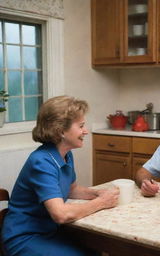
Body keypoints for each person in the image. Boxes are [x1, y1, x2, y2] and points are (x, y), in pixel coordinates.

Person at [2, 96, 119, 256]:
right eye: (81, 126)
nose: (85, 131)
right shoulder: (41, 161)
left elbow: (71, 189)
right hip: (24, 237)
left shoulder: (65, 154)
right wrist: (101, 203)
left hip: (49, 231)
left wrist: (98, 193)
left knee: (99, 250)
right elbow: (60, 214)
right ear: (61, 131)